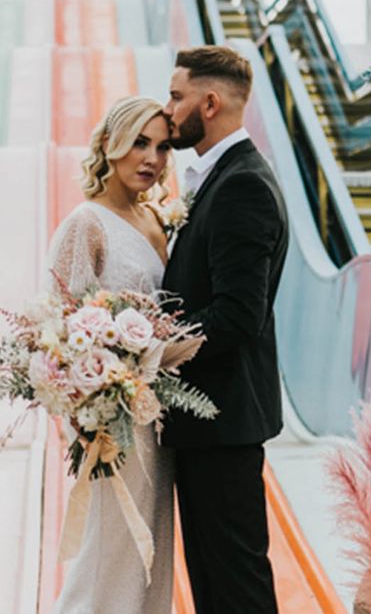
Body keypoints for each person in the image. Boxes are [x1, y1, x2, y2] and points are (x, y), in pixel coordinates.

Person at [161, 45, 288, 613]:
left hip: (223, 420)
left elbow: (238, 315)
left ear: (209, 103)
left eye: (176, 96)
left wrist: (150, 347)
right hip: (209, 424)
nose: (169, 111)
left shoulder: (241, 186)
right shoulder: (222, 178)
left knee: (236, 586)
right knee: (216, 583)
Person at [50, 96, 175, 613]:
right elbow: (59, 327)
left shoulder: (154, 220)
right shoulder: (87, 223)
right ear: (109, 144)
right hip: (113, 422)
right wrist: (86, 409)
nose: (152, 158)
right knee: (111, 552)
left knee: (152, 553)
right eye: (140, 143)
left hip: (158, 419)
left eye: (163, 146)